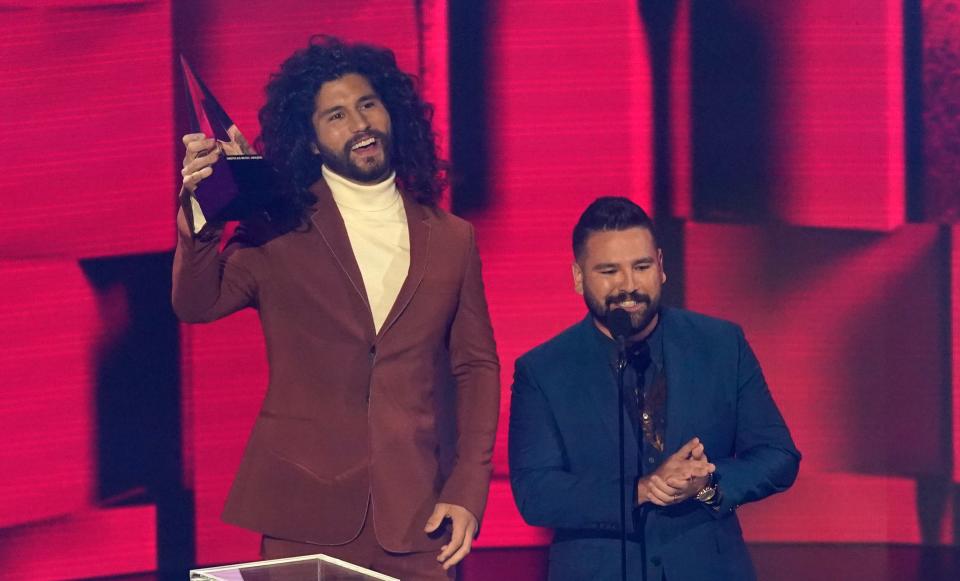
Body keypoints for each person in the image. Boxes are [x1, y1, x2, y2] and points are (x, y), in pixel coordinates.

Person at [173, 36, 499, 579]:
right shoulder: (277, 227)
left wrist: (468, 486)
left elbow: (476, 365)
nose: (359, 123)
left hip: (417, 517)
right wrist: (202, 209)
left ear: (392, 111)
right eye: (337, 115)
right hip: (303, 510)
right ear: (313, 139)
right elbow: (196, 303)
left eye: (368, 104)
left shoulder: (453, 239)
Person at [509, 197, 800, 580]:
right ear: (578, 277)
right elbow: (537, 493)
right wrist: (640, 490)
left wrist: (709, 483)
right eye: (609, 271)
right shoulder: (543, 370)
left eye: (641, 267)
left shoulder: (722, 344)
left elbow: (778, 455)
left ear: (661, 267)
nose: (628, 286)